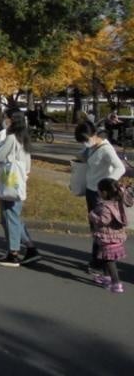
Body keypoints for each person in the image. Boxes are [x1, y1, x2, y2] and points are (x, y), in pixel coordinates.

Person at [74, 120, 126, 274]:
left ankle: (102, 263)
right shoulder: (92, 147)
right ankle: (97, 261)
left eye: (85, 140)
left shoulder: (106, 149)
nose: (84, 143)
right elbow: (85, 157)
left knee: (102, 230)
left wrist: (107, 185)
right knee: (95, 228)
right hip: (91, 191)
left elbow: (120, 168)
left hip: (101, 194)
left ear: (92, 135)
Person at [0, 112, 40, 267]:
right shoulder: (24, 139)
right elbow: (27, 163)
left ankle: (13, 252)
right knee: (13, 216)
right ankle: (28, 247)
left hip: (9, 181)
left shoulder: (11, 138)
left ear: (11, 122)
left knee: (9, 216)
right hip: (19, 181)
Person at [88, 178, 132, 293]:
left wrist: (93, 216)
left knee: (109, 261)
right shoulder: (117, 202)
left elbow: (104, 221)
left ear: (104, 193)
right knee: (107, 258)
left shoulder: (106, 207)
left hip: (108, 238)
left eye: (98, 191)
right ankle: (107, 277)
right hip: (116, 236)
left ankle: (116, 283)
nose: (97, 192)